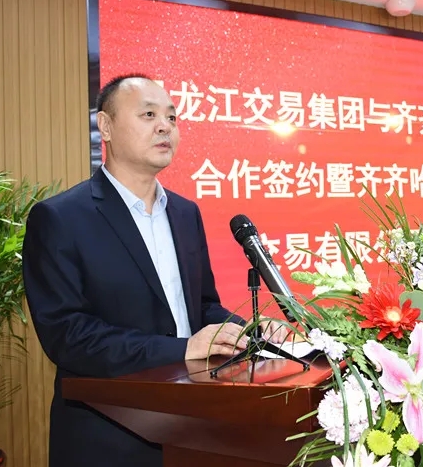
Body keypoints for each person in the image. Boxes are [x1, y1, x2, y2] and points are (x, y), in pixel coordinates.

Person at [22, 74, 288, 467]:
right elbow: (67, 336)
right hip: (108, 437)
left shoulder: (185, 212)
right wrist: (182, 349)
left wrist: (250, 331)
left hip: (196, 430)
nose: (165, 126)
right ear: (105, 126)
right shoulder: (60, 218)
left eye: (172, 117)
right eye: (148, 115)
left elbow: (201, 307)